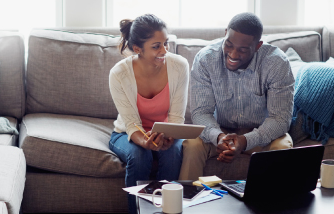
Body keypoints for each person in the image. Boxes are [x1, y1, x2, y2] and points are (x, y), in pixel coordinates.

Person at [179, 12, 295, 180]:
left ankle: (269, 204)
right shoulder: (206, 59)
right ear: (225, 33)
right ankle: (188, 202)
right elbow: (201, 112)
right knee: (192, 144)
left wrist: (245, 141)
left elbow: (280, 119)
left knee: (283, 146)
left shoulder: (276, 63)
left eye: (242, 50)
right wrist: (218, 137)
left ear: (257, 46)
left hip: (260, 134)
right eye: (229, 45)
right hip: (220, 132)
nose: (233, 54)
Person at [109, 14, 189, 213]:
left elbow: (177, 117)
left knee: (173, 152)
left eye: (166, 43)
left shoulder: (179, 66)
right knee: (139, 155)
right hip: (127, 134)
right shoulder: (119, 74)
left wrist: (170, 135)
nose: (164, 51)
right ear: (137, 49)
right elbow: (131, 124)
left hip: (165, 131)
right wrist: (145, 142)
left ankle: (167, 209)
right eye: (156, 46)